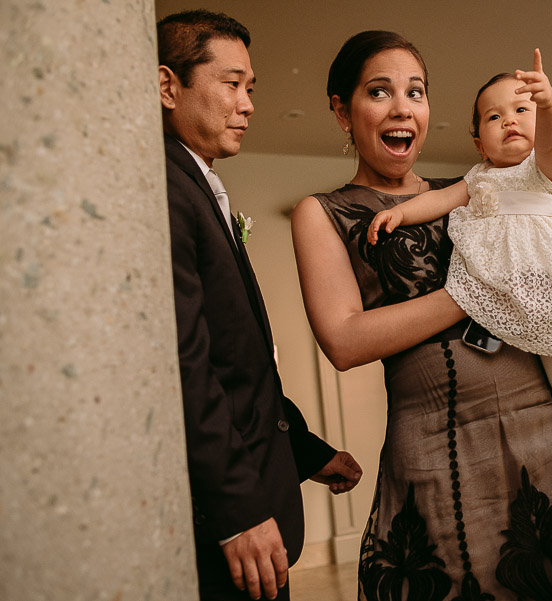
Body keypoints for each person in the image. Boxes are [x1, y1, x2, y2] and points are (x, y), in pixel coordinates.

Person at [292, 30, 552, 600]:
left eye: (415, 91)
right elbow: (344, 341)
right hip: (437, 445)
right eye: (379, 92)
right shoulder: (325, 213)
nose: (401, 107)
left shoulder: (481, 187)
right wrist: (475, 293)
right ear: (343, 111)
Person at [367, 50, 552, 488]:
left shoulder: (543, 170)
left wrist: (550, 104)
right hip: (510, 296)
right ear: (478, 143)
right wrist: (401, 214)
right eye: (493, 117)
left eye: (522, 110)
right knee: (508, 357)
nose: (509, 121)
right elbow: (438, 201)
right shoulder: (478, 177)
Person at [158, 11, 362, 600]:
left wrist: (306, 451)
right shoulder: (167, 188)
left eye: (251, 88)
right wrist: (237, 511)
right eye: (231, 83)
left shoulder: (197, 185)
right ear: (169, 86)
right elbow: (186, 363)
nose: (247, 104)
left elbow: (238, 364)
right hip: (224, 518)